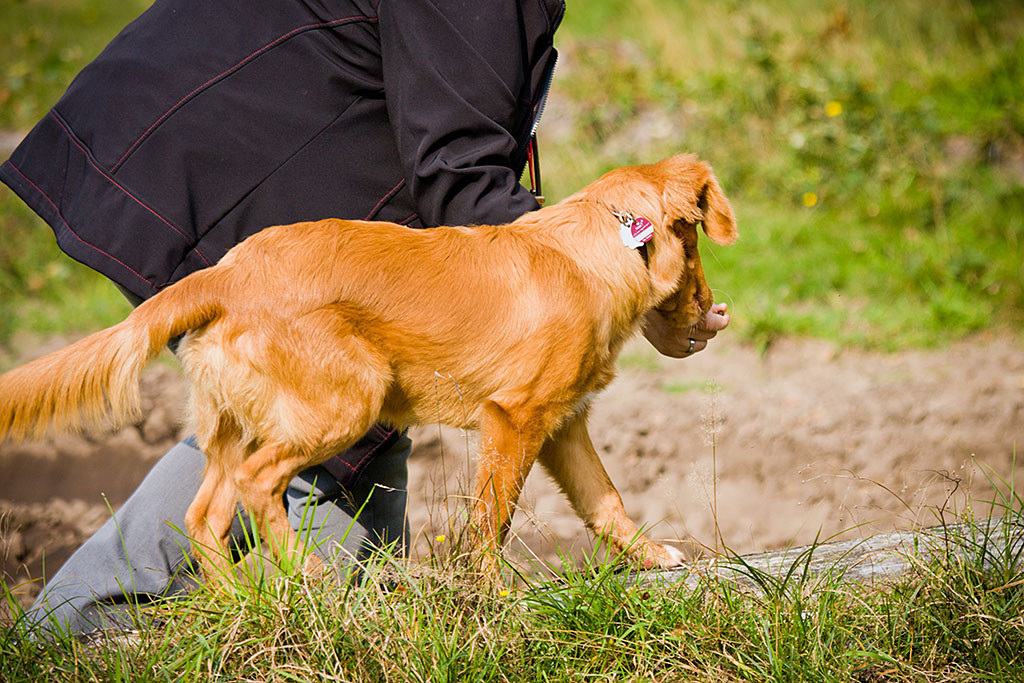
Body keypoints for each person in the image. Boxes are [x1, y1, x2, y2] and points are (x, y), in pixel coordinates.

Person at [0, 0, 729, 638]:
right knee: (332, 431)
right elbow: (458, 168)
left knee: (314, 456)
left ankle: (263, 622)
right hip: (216, 154)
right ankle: (68, 629)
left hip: (250, 157)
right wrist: (610, 285)